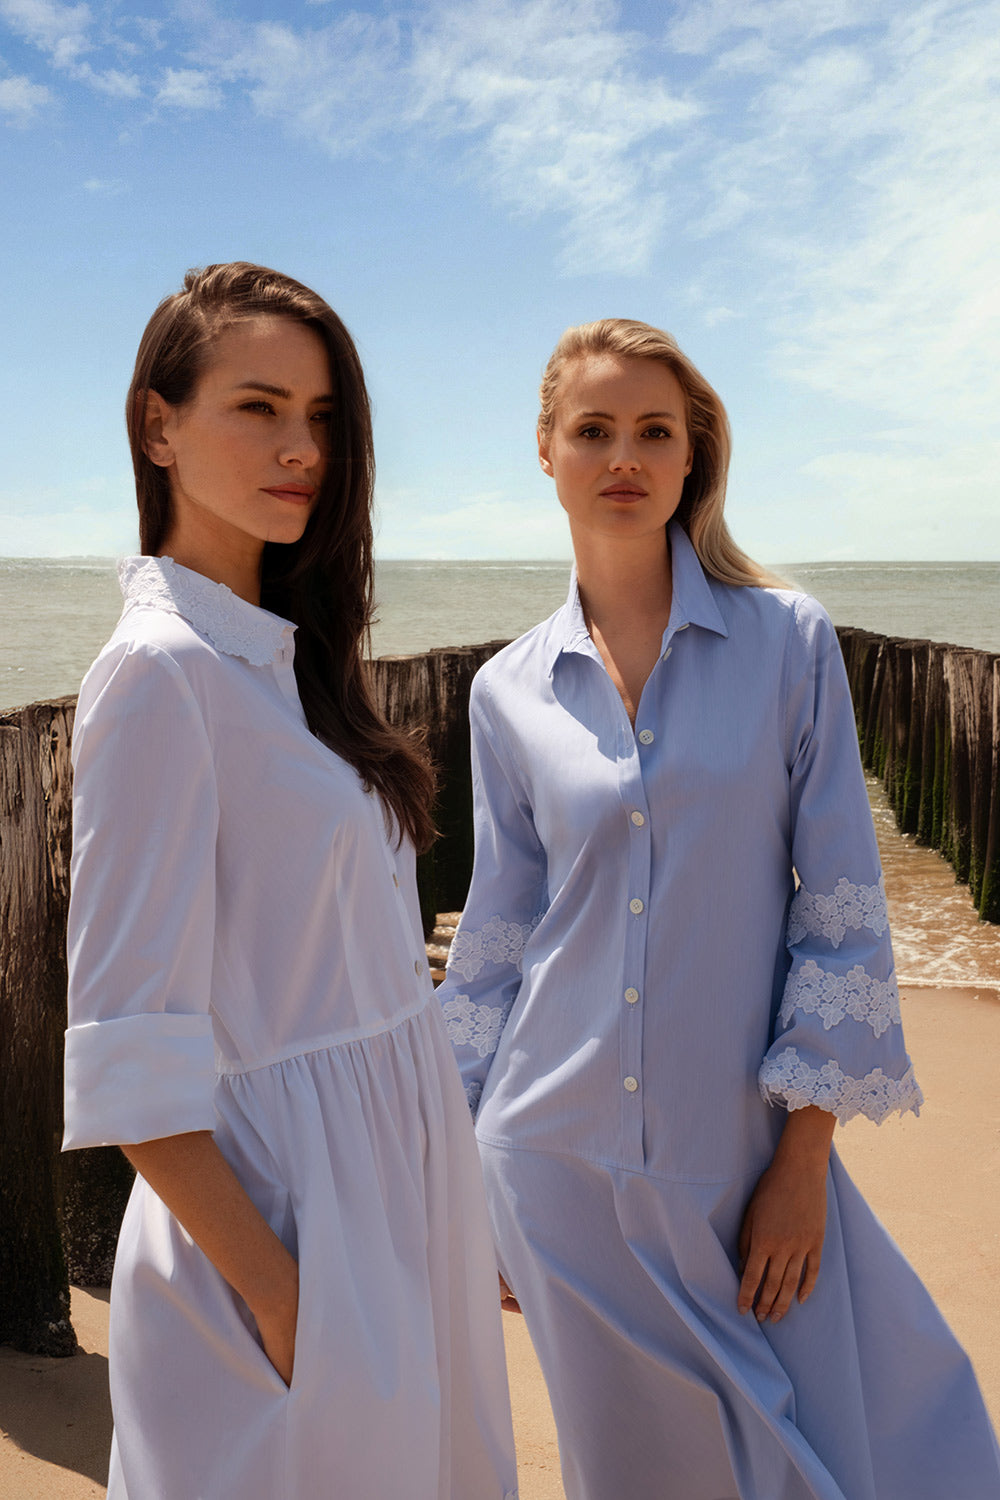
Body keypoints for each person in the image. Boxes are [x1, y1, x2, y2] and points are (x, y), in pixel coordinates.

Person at [437, 317, 1000, 1499]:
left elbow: (839, 907)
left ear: (693, 455)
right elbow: (495, 943)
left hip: (740, 1158)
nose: (624, 456)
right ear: (545, 450)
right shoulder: (504, 691)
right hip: (547, 1158)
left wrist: (804, 1156)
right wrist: (459, 1177)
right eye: (593, 430)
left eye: (655, 431)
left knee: (890, 1438)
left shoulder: (786, 643)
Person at [62, 262, 518, 1500]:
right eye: (258, 407)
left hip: (389, 1193)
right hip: (284, 1219)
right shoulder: (160, 675)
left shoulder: (288, 662)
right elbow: (127, 1046)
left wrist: (449, 1194)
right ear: (158, 426)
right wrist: (285, 1300)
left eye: (320, 416)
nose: (301, 448)